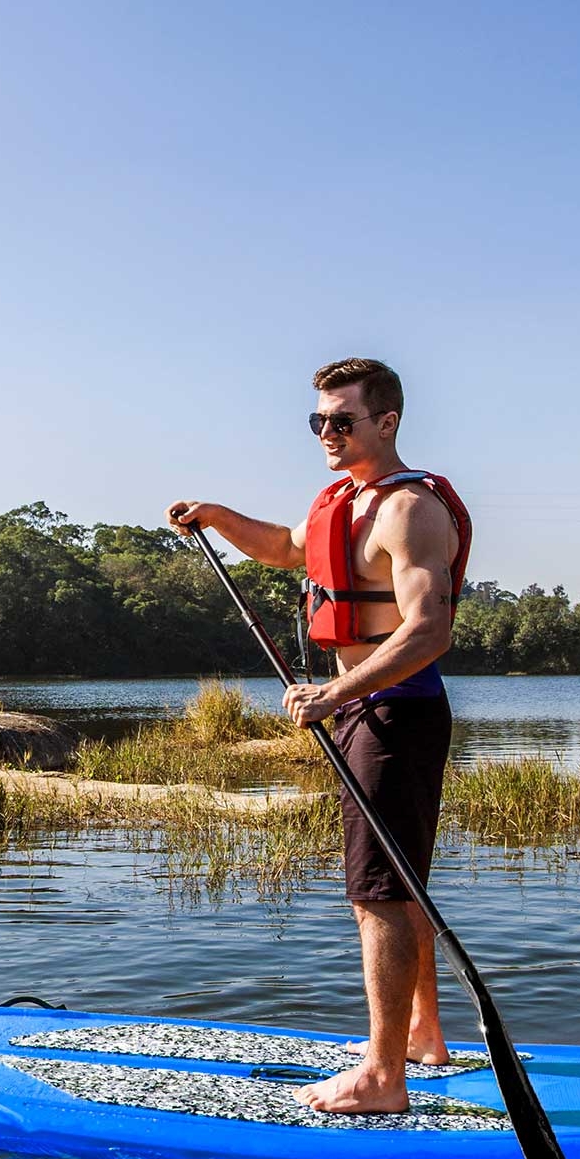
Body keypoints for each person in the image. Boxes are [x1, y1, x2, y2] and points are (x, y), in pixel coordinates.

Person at [169, 357, 470, 1116]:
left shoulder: (409, 510)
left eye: (341, 420)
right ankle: (422, 1037)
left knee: (377, 897)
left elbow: (429, 630)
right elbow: (284, 546)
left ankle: (381, 1078)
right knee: (399, 883)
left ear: (387, 422)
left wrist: (336, 692)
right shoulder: (344, 502)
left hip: (395, 713)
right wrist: (217, 516)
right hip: (367, 710)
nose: (326, 434)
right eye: (318, 421)